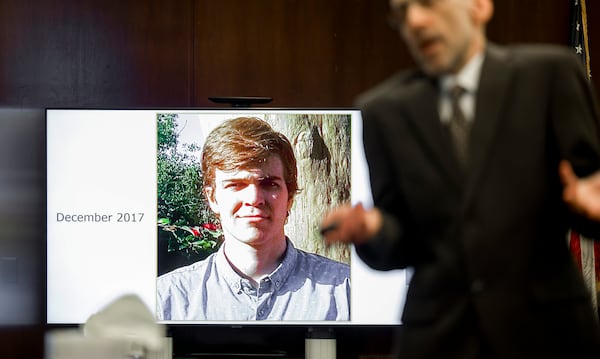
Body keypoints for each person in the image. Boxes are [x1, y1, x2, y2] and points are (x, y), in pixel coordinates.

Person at [321, 0, 600, 357]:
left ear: (480, 7)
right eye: (402, 11)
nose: (415, 20)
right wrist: (373, 231)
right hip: (439, 339)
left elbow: (588, 193)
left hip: (546, 332)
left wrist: (591, 206)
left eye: (428, 4)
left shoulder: (549, 76)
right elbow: (402, 242)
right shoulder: (384, 111)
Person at [157, 116, 350, 321]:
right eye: (236, 184)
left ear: (290, 198)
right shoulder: (168, 299)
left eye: (269, 184)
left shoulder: (345, 292)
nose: (254, 199)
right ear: (213, 198)